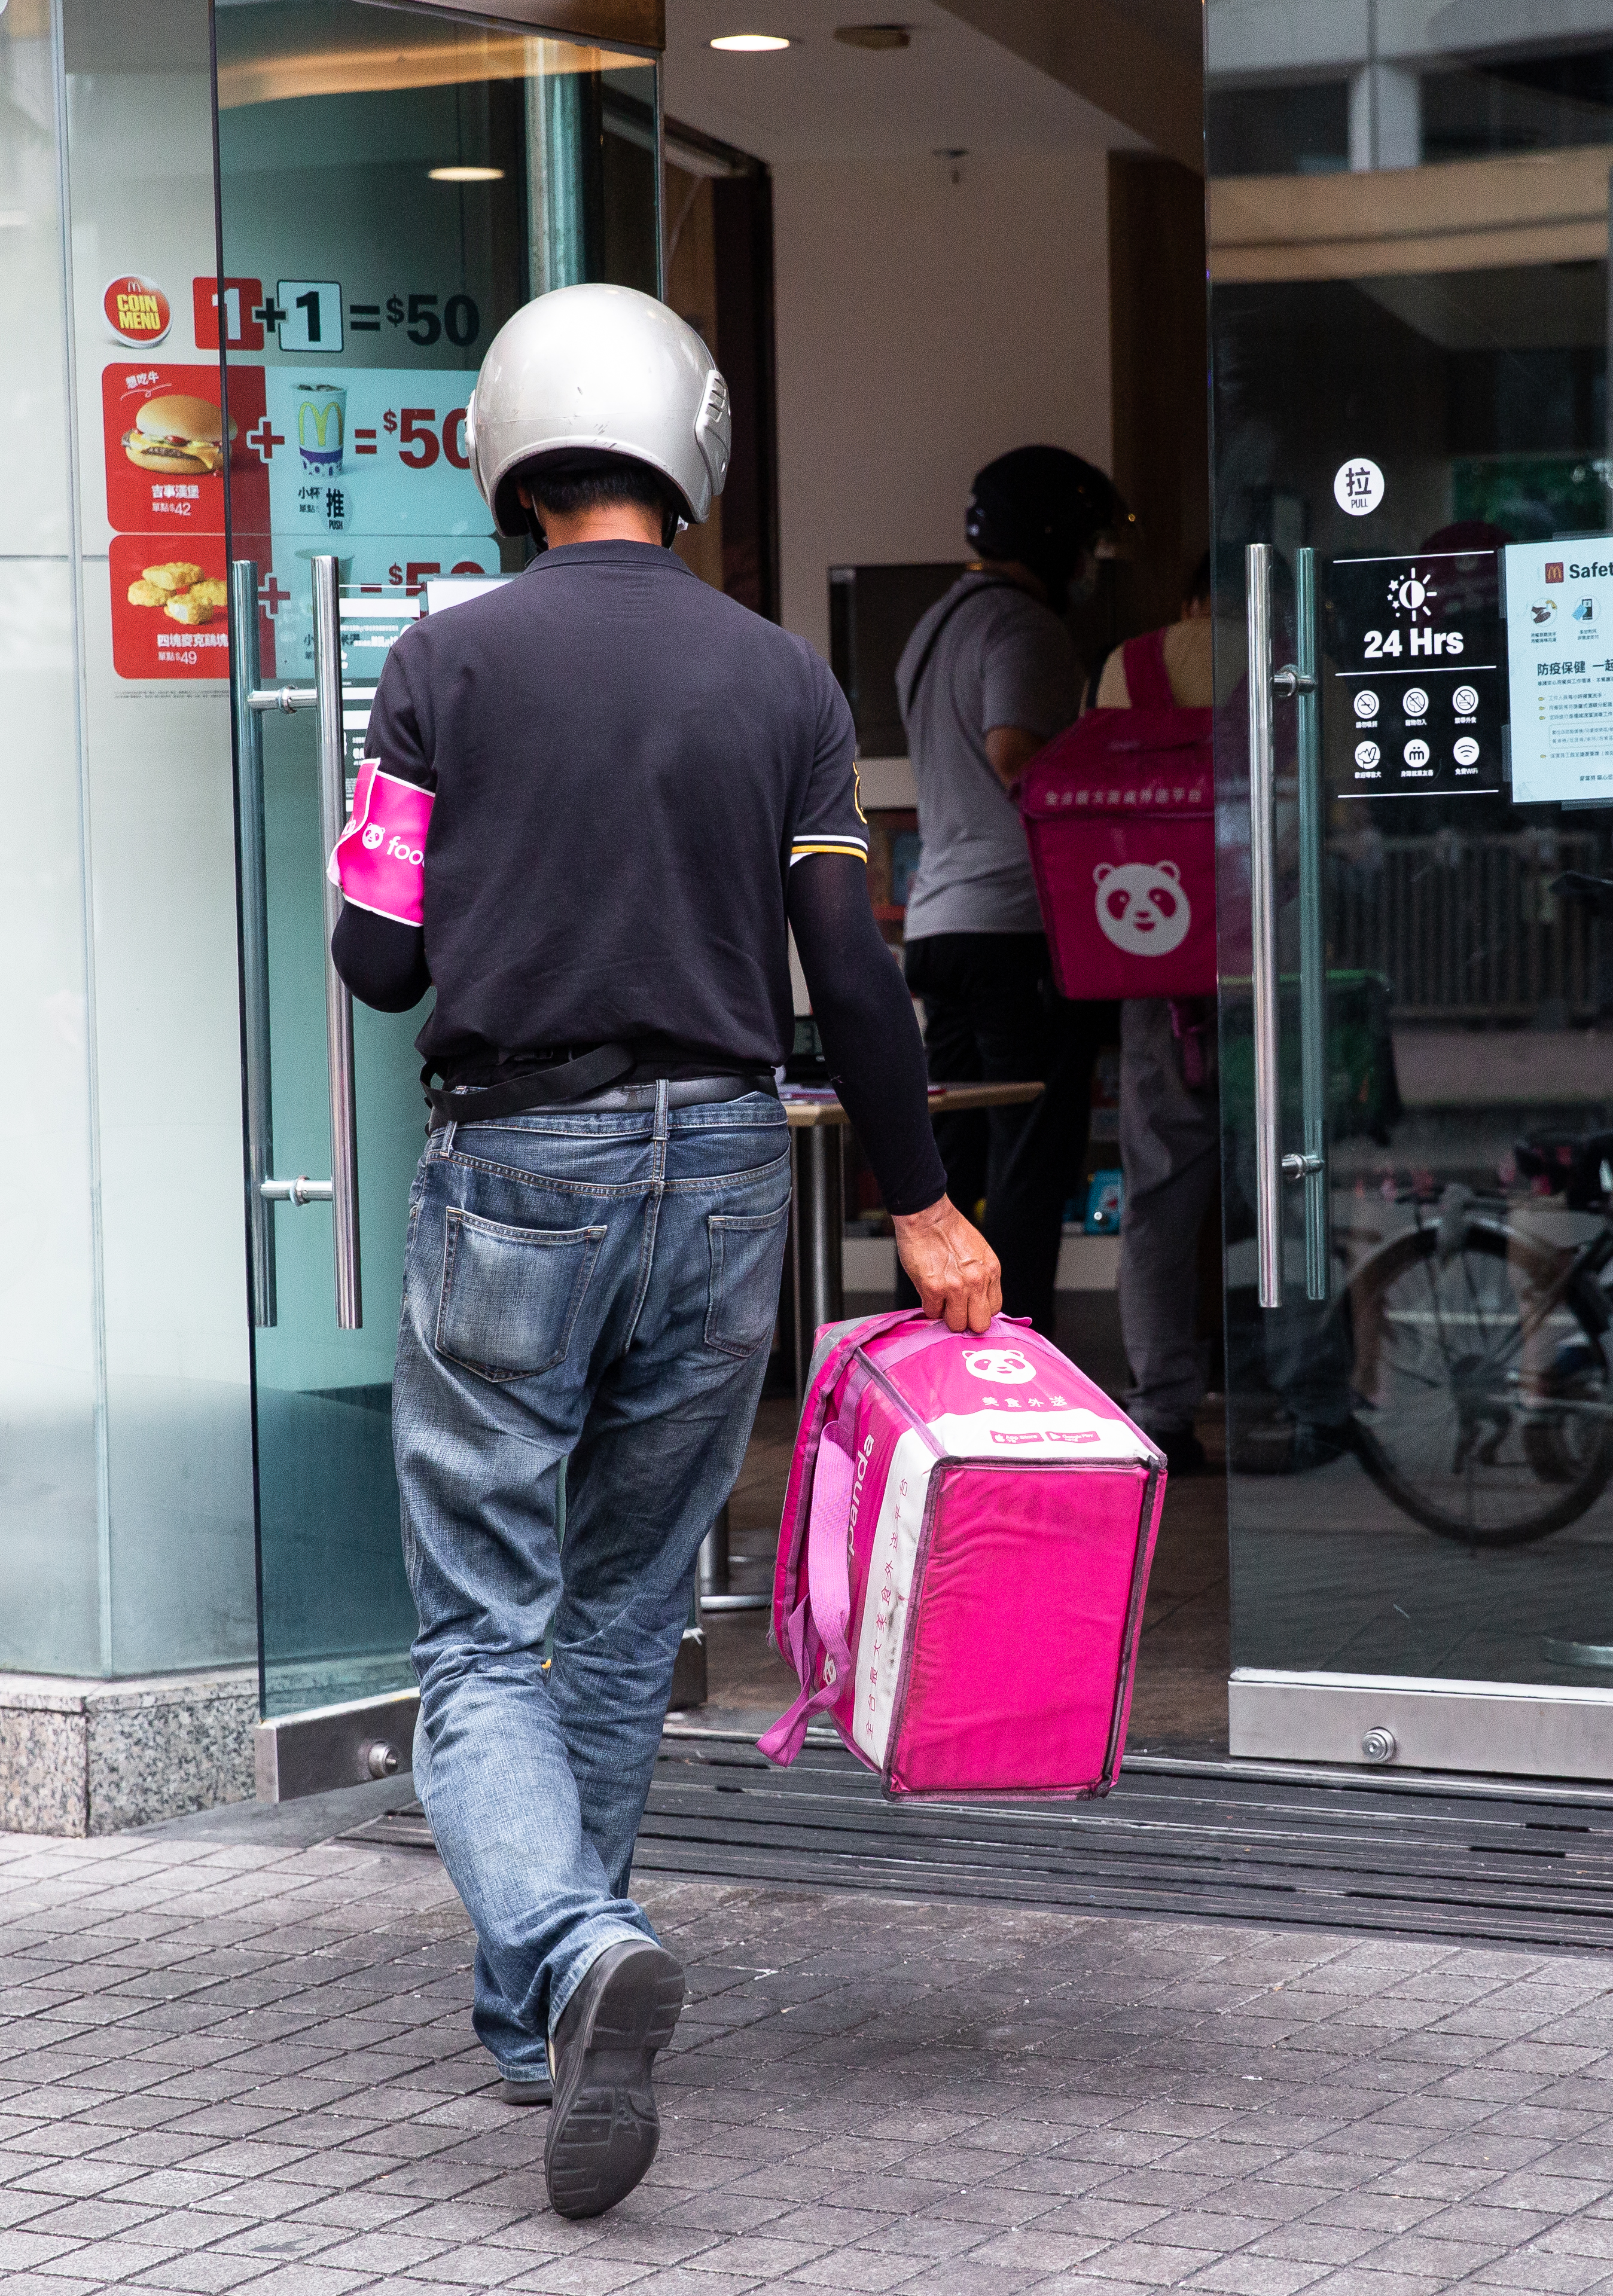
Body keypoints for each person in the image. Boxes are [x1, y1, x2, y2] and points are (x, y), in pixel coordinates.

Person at [326, 283, 998, 2221]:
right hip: (723, 1162)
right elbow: (855, 978)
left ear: (511, 446)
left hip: (515, 1155)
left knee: (477, 1627)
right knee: (624, 1612)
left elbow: (377, 962)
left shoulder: (439, 669)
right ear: (689, 445)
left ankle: (559, 1952)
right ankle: (546, 2004)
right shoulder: (783, 680)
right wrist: (924, 1202)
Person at [896, 445, 1128, 1334]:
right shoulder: (1026, 629)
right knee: (1031, 1158)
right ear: (1055, 539)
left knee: (945, 1168)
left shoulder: (935, 626)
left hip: (941, 923)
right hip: (1016, 929)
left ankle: (921, 1367)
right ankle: (1020, 1361)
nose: (1088, 566)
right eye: (1086, 546)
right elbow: (1014, 756)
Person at [1099, 564, 1218, 1470]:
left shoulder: (1128, 666)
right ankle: (1303, 1393)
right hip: (1275, 962)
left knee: (1160, 1192)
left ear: (1190, 600)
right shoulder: (1300, 662)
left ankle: (1163, 1404)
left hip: (1158, 961)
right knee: (1291, 1185)